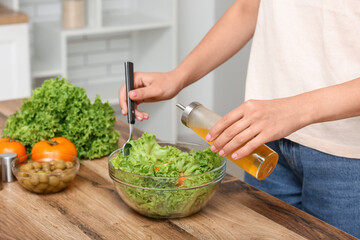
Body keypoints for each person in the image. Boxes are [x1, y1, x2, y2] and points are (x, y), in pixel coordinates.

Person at [119, 0, 360, 237]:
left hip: (346, 157)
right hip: (262, 140)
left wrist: (294, 109)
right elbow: (248, 7)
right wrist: (178, 77)